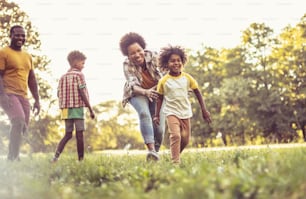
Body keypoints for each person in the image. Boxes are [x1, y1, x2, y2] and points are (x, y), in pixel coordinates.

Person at [154, 45, 212, 164]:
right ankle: (175, 162)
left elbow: (198, 93)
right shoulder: (164, 81)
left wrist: (204, 110)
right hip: (171, 112)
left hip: (185, 112)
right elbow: (159, 98)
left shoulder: (187, 78)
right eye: (172, 61)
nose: (176, 63)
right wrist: (157, 115)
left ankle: (174, 155)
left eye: (178, 60)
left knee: (185, 140)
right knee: (176, 136)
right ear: (167, 63)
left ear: (182, 62)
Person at [119, 32, 166, 161]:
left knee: (159, 127)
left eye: (139, 50)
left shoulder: (155, 56)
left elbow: (165, 77)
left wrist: (155, 90)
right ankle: (150, 150)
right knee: (144, 114)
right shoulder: (127, 64)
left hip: (158, 91)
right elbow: (133, 85)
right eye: (132, 53)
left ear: (143, 48)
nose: (137, 55)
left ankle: (155, 154)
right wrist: (146, 92)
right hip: (137, 93)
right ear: (128, 55)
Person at [0, 25, 40, 161]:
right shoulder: (4, 52)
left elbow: (32, 79)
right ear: (10, 35)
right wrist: (2, 95)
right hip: (8, 93)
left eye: (23, 35)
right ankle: (12, 157)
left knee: (23, 126)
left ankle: (13, 155)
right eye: (17, 35)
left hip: (23, 95)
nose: (20, 38)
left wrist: (37, 100)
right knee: (18, 121)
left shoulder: (28, 56)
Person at [51, 50, 95, 162]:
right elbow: (82, 92)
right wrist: (90, 109)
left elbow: (58, 94)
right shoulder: (79, 75)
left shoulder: (62, 77)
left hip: (65, 109)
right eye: (82, 63)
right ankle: (81, 160)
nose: (83, 66)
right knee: (79, 134)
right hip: (77, 107)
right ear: (75, 63)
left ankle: (55, 157)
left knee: (68, 134)